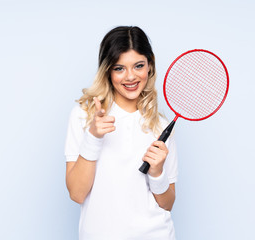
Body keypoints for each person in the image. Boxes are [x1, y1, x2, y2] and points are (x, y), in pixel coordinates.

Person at [65, 26, 178, 240]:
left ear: (150, 65)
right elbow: (77, 194)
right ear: (107, 70)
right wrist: (93, 138)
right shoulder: (84, 115)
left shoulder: (160, 125)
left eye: (138, 66)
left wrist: (157, 173)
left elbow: (167, 203)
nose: (130, 77)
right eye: (119, 68)